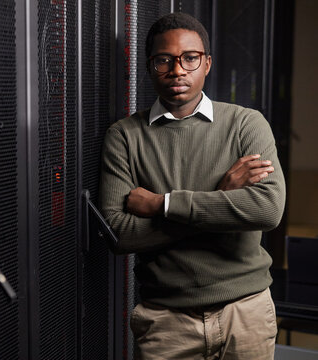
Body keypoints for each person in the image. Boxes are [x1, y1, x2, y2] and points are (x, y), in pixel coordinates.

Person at [99, 12, 285, 360]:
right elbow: (118, 234)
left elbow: (267, 209)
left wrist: (160, 205)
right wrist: (222, 202)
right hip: (166, 322)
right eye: (164, 60)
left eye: (190, 58)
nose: (178, 70)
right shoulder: (124, 136)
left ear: (207, 63)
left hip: (246, 314)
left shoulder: (246, 124)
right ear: (150, 65)